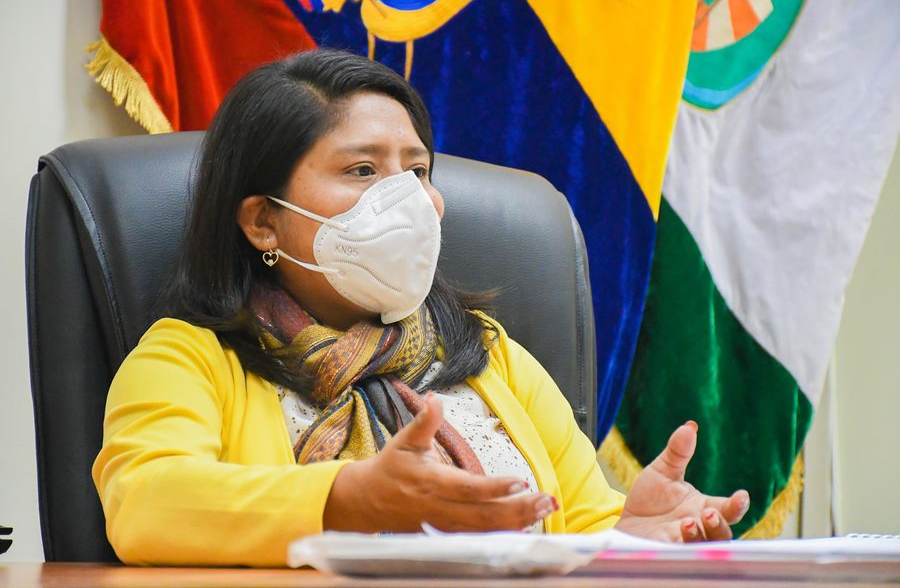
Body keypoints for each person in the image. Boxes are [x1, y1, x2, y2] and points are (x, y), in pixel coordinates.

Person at [92, 49, 750, 567]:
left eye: (417, 171)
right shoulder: (189, 357)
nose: (409, 200)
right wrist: (346, 499)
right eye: (362, 170)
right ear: (263, 221)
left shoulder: (488, 353)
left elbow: (579, 525)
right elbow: (143, 504)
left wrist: (629, 537)